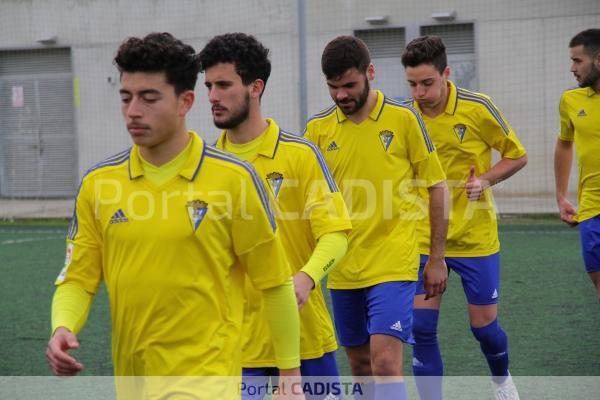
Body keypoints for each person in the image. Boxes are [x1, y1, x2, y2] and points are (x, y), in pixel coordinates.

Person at [45, 32, 303, 399]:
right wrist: (62, 326)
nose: (133, 110)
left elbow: (274, 282)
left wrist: (289, 375)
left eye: (149, 98)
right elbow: (78, 277)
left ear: (185, 102)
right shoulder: (98, 184)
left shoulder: (234, 179)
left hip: (207, 379)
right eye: (126, 97)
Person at [198, 32, 352, 400]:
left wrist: (306, 278)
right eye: (208, 86)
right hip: (236, 348)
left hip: (305, 338)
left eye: (223, 85)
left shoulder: (301, 155)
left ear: (255, 87)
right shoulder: (203, 168)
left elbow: (337, 234)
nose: (212, 97)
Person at [304, 35, 449, 400]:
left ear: (371, 73)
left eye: (349, 85)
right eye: (333, 87)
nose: (340, 95)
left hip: (394, 261)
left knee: (385, 364)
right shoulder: (317, 131)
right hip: (342, 268)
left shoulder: (404, 119)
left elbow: (437, 186)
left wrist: (436, 257)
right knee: (360, 366)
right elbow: (306, 201)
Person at [401, 35, 528, 400]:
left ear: (446, 74)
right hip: (424, 238)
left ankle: (501, 380)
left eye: (427, 83)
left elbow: (516, 156)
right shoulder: (405, 115)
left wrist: (486, 180)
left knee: (484, 328)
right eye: (412, 84)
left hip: (475, 238)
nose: (419, 92)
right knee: (422, 328)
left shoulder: (477, 107)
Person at [554, 28, 600, 302]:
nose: (572, 68)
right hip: (592, 210)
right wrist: (561, 196)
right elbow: (564, 143)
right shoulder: (570, 100)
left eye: (577, 61)